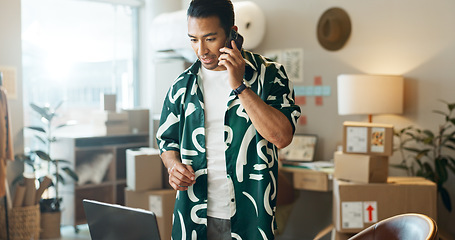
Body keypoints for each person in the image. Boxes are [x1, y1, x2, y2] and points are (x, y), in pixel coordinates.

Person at [156, 0, 301, 239]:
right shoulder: (182, 85)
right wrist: (173, 167)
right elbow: (166, 140)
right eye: (193, 39)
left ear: (232, 34)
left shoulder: (271, 75)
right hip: (194, 216)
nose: (201, 50)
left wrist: (240, 86)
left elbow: (281, 136)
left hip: (250, 215)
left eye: (210, 38)